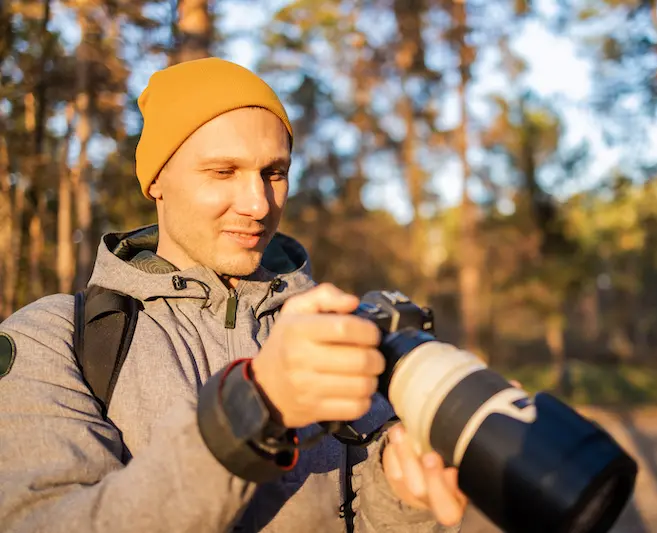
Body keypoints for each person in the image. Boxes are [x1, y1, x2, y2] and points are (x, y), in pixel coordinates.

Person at [0, 57, 467, 532]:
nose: (258, 204)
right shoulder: (56, 338)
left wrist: (403, 497)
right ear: (157, 179)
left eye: (274, 173)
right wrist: (254, 407)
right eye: (223, 172)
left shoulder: (329, 328)